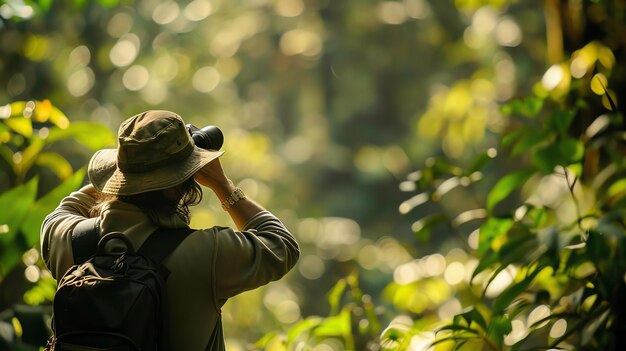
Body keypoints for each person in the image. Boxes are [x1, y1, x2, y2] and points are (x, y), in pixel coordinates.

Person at [40, 110, 300, 350]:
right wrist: (223, 185)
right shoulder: (207, 254)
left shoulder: (68, 240)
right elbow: (281, 245)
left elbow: (66, 208)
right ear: (184, 183)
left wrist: (123, 174)